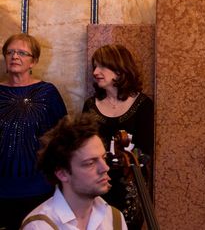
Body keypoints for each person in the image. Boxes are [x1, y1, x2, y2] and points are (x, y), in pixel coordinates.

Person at [81, 45, 153, 230]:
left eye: (102, 66)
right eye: (95, 66)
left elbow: (146, 152)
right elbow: (83, 147)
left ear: (120, 69)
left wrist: (126, 158)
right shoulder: (90, 106)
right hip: (97, 185)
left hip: (129, 188)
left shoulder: (143, 105)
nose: (95, 72)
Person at [0, 33, 68, 230]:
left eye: (22, 53)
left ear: (34, 61)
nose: (14, 56)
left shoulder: (47, 93)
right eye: (10, 52)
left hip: (39, 186)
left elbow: (63, 137)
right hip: (2, 189)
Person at [20, 113, 126, 230]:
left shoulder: (114, 218)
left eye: (104, 158)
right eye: (90, 163)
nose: (105, 168)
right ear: (62, 174)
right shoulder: (39, 226)